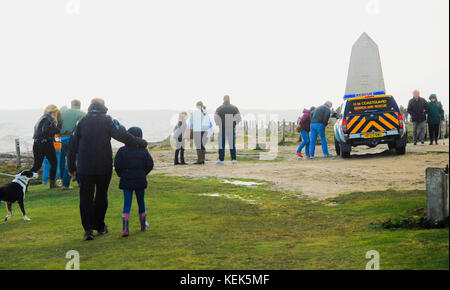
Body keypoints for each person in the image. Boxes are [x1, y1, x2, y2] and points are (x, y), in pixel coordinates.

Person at [68, 98, 148, 241]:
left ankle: (88, 230)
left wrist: (71, 166)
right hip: (103, 165)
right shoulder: (108, 120)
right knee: (101, 196)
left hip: (84, 167)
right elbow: (124, 136)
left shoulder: (81, 121)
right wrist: (142, 143)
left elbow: (72, 144)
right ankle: (99, 226)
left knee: (85, 198)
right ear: (102, 107)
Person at [114, 127, 154, 237]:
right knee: (141, 202)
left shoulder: (122, 151)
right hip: (140, 179)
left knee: (127, 203)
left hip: (126, 179)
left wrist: (122, 175)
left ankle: (125, 228)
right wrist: (143, 173)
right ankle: (143, 225)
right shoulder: (144, 151)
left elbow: (117, 165)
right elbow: (150, 164)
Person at [30, 105, 61, 189]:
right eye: (56, 112)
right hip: (46, 143)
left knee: (36, 165)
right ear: (54, 111)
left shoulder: (41, 118)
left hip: (36, 143)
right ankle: (52, 183)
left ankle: (24, 184)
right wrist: (57, 130)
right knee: (54, 163)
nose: (56, 114)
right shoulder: (50, 118)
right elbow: (46, 130)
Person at [59, 99, 86, 190]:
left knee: (67, 160)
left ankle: (76, 181)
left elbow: (58, 126)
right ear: (79, 105)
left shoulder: (63, 114)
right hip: (74, 139)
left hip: (63, 139)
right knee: (75, 160)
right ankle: (66, 184)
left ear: (71, 105)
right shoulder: (82, 114)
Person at [214, 95, 241, 164]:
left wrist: (219, 124)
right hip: (231, 128)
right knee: (232, 144)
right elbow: (239, 118)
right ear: (229, 99)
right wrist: (234, 124)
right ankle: (234, 159)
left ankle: (221, 160)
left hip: (222, 128)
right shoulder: (234, 108)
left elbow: (215, 117)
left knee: (221, 144)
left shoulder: (219, 108)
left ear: (223, 99)